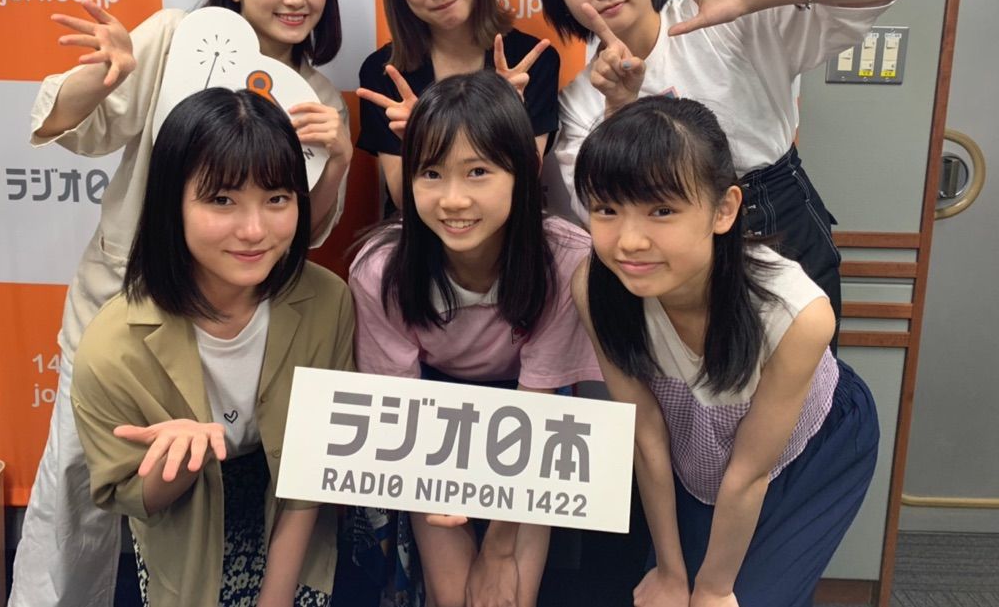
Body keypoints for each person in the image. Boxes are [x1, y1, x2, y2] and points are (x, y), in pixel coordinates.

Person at [11, 0, 352, 607]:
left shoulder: (316, 96)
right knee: (77, 489)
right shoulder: (176, 39)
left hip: (237, 320)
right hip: (131, 315)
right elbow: (78, 127)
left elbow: (301, 233)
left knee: (212, 499)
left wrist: (340, 158)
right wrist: (104, 76)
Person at [539, 0, 918, 342]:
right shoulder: (582, 99)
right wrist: (619, 109)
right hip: (666, 252)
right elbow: (599, 212)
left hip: (775, 215)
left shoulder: (723, 15)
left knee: (806, 375)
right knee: (690, 382)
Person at [571, 95, 879, 607]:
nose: (629, 241)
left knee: (743, 597)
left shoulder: (796, 315)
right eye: (607, 209)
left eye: (662, 210)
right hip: (697, 435)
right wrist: (670, 571)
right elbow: (645, 432)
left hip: (813, 443)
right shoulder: (596, 287)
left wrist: (713, 589)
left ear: (724, 210)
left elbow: (748, 473)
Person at [70, 87, 354, 607]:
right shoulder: (113, 347)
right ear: (171, 203)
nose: (254, 230)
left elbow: (312, 464)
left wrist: (277, 595)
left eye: (277, 199)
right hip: (183, 535)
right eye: (222, 200)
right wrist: (179, 463)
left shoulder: (327, 303)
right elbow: (130, 496)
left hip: (293, 521)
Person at [348, 72, 600, 607]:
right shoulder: (380, 270)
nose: (453, 199)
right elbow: (403, 411)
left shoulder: (567, 261)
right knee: (453, 594)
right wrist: (439, 501)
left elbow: (537, 413)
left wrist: (499, 549)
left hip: (530, 404)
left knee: (508, 595)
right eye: (431, 173)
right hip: (430, 409)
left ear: (522, 171)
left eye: (478, 171)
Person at [355, 0, 560, 209]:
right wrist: (418, 139)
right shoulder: (384, 72)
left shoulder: (530, 61)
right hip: (417, 235)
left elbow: (523, 185)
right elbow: (403, 201)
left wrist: (505, 113)